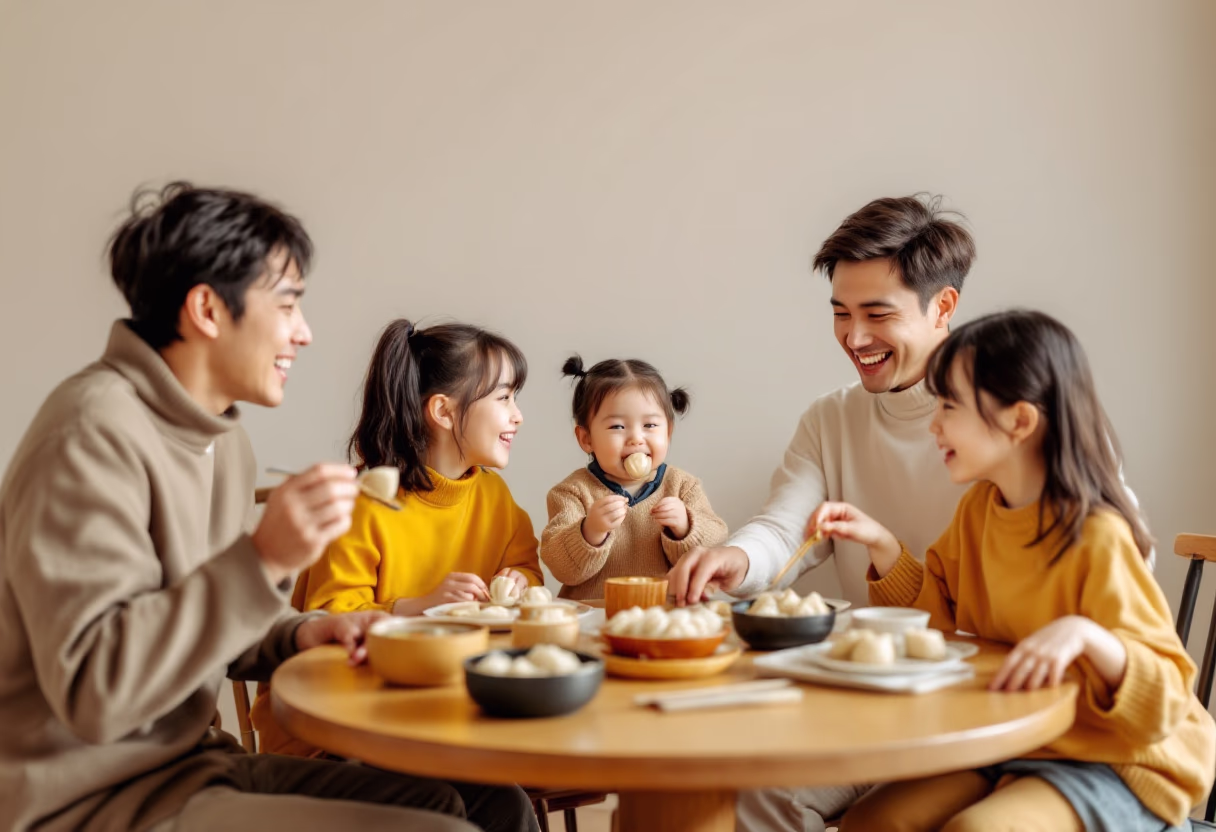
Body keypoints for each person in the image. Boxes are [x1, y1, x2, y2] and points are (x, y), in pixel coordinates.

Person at [0, 182, 500, 831]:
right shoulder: (91, 434)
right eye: (288, 304)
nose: (305, 333)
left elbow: (197, 621)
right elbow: (99, 691)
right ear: (208, 309)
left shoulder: (222, 438)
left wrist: (300, 632)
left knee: (478, 801)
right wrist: (264, 558)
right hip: (87, 800)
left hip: (191, 767)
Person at [828, 310, 1214, 831]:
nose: (933, 424)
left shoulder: (1096, 536)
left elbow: (1165, 696)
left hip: (1122, 758)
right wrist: (879, 543)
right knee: (871, 823)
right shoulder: (980, 510)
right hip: (1021, 736)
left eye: (948, 405)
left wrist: (1086, 635)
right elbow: (934, 612)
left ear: (1019, 420)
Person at [251, 320, 543, 778]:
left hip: (435, 711)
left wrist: (518, 580)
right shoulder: (366, 501)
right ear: (443, 412)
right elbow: (329, 618)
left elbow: (526, 566)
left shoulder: (494, 497)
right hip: (337, 728)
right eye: (504, 398)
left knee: (499, 789)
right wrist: (420, 607)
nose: (518, 414)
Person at [541, 355, 728, 600]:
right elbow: (562, 568)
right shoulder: (571, 492)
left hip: (665, 616)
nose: (636, 438)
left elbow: (713, 550)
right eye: (618, 427)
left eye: (650, 425)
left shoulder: (683, 486)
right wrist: (590, 531)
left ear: (668, 432)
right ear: (586, 439)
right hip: (596, 617)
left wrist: (685, 527)